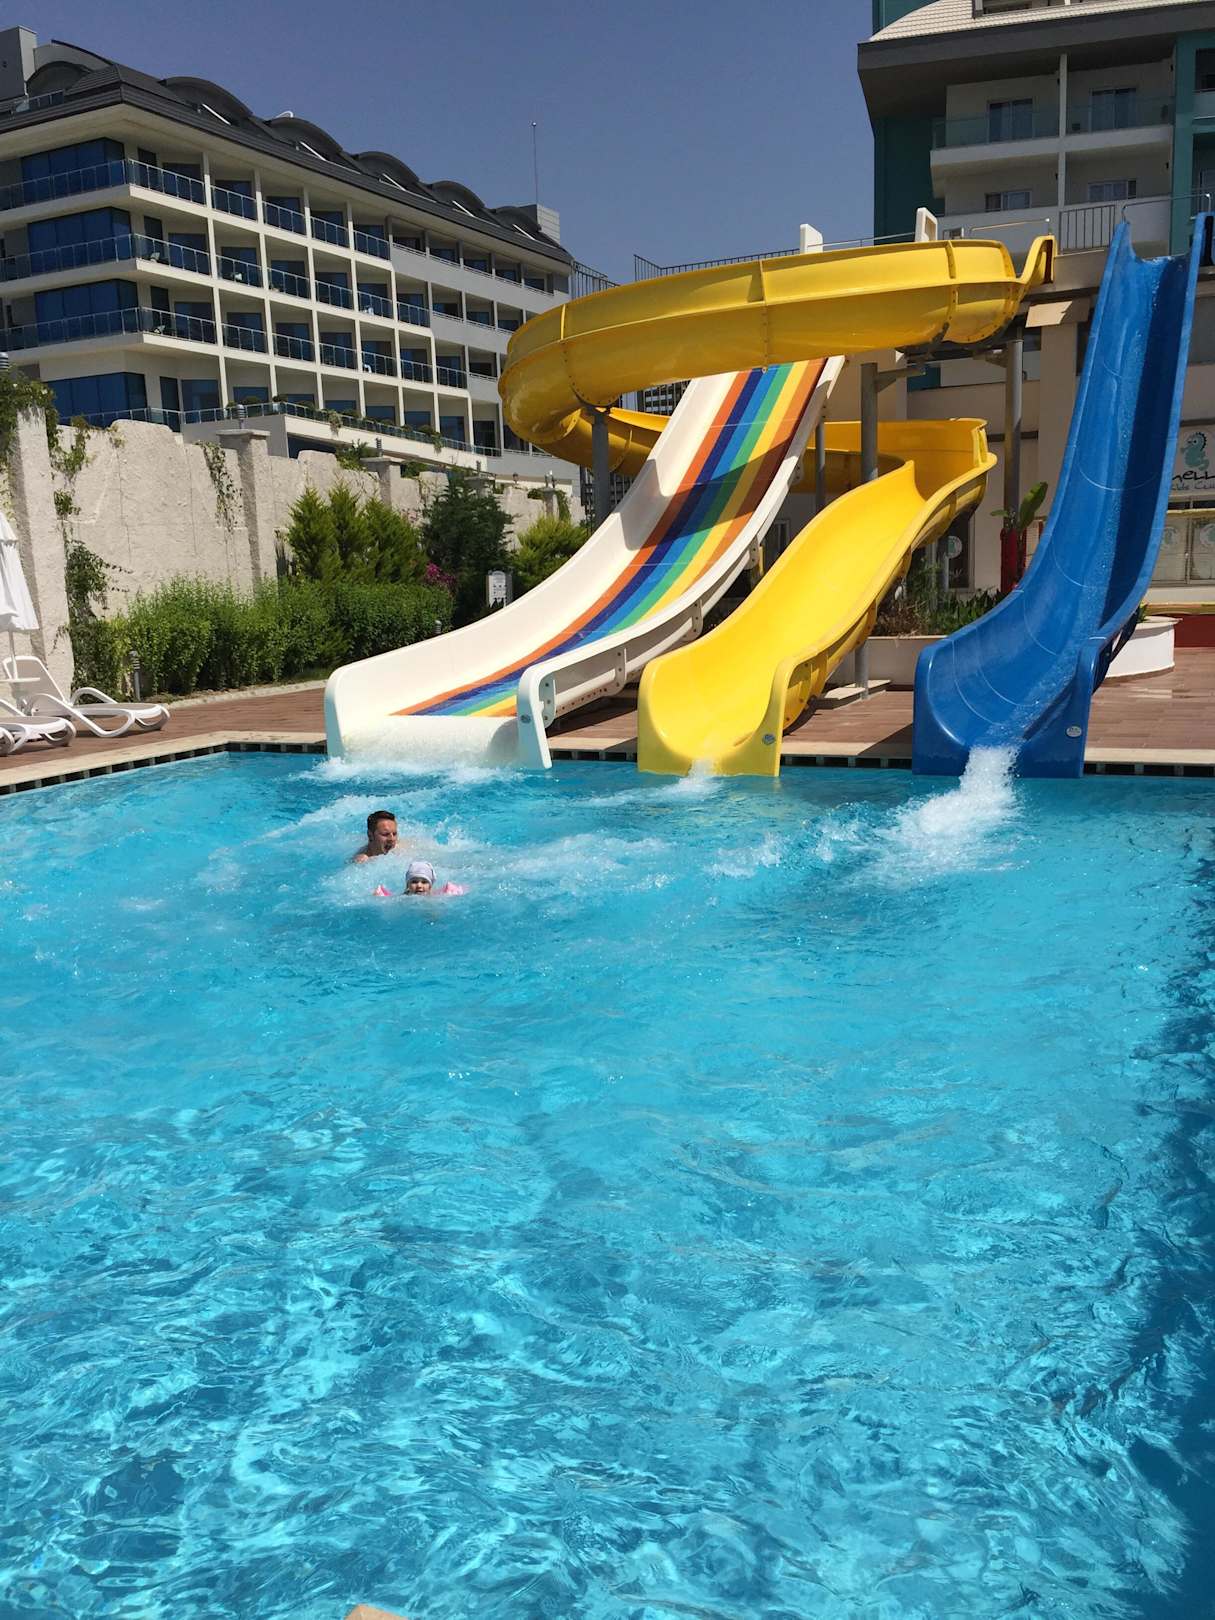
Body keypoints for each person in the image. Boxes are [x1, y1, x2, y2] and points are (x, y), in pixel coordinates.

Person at [374, 858, 465, 898]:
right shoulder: (404, 897)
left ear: (430, 886)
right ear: (407, 884)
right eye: (414, 882)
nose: (419, 885)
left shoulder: (433, 897)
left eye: (424, 882)